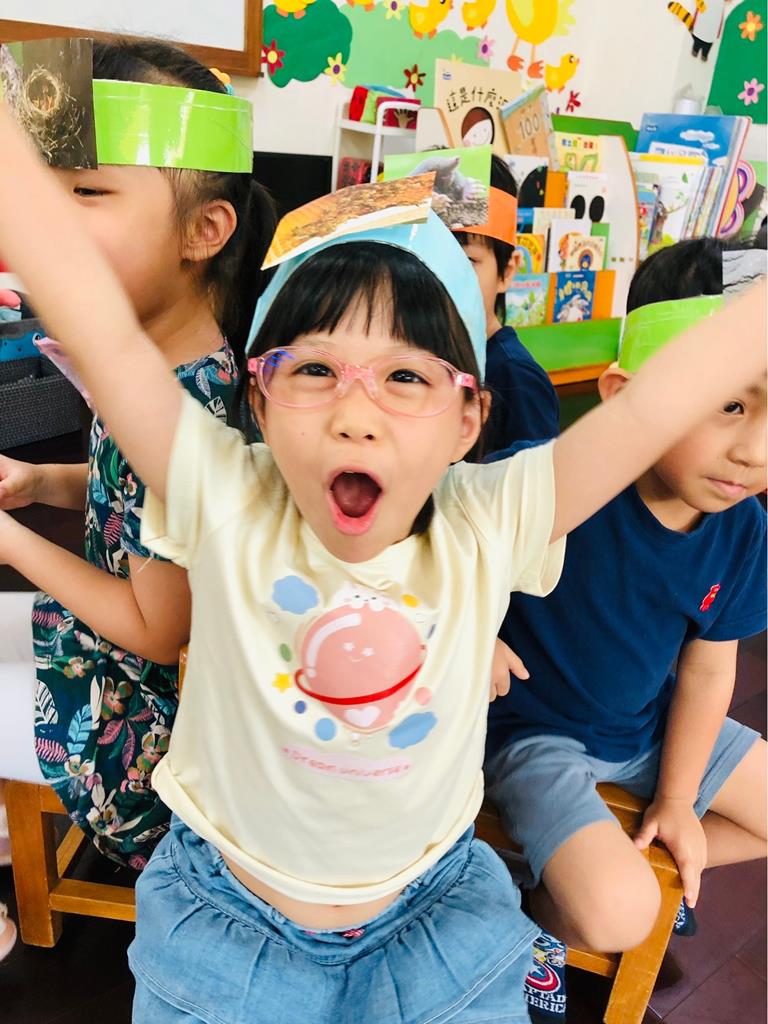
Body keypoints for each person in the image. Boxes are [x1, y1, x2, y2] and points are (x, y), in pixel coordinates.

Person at [0, 109, 765, 1022]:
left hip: (433, 917)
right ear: (258, 400)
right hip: (223, 922)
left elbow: (653, 409)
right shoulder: (225, 493)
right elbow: (103, 331)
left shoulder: (492, 516)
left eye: (406, 377)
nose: (355, 415)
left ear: (469, 419)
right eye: (314, 370)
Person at [0, 36, 275, 951]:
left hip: (145, 734)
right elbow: (134, 504)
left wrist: (14, 544)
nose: (45, 225)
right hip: (111, 658)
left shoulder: (190, 407)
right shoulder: (173, 369)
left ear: (205, 232)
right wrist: (42, 481)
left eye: (85, 192)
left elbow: (161, 629)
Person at [485, 237, 766, 1022]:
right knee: (617, 918)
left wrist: (676, 798)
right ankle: (536, 918)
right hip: (535, 735)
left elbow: (709, 669)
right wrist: (474, 629)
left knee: (642, 888)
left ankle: (627, 861)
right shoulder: (552, 481)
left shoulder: (744, 529)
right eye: (730, 404)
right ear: (625, 392)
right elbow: (441, 545)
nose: (754, 451)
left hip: (645, 727)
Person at [453, 155, 560, 452]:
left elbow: (534, 476)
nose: (440, 274)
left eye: (466, 260)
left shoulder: (516, 378)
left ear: (507, 272)